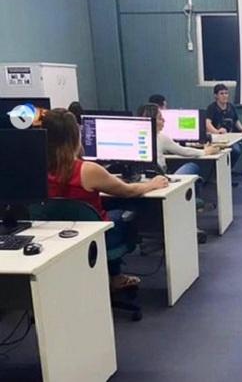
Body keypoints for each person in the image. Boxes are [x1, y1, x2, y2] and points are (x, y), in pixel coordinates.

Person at [40, 108, 169, 290]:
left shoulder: (36, 169)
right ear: (76, 135)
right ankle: (115, 275)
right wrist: (151, 184)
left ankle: (107, 276)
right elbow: (128, 191)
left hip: (54, 239)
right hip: (93, 238)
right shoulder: (88, 170)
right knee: (126, 209)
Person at [136, 103, 218, 201]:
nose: (164, 120)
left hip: (141, 180)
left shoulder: (135, 137)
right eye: (160, 118)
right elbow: (184, 151)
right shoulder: (160, 137)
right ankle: (195, 200)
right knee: (192, 166)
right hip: (161, 179)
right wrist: (205, 151)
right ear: (152, 121)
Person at [206, 84, 242, 167]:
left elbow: (236, 120)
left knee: (236, 151)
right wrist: (217, 132)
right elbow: (207, 123)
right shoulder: (212, 108)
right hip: (217, 139)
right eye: (221, 93)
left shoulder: (231, 107)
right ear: (216, 96)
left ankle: (228, 170)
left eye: (226, 93)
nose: (224, 96)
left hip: (230, 139)